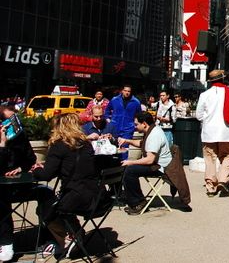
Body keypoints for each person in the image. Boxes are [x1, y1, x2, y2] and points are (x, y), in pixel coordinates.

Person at [31, 113, 100, 258]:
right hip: (95, 196)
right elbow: (72, 164)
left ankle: (68, 236)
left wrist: (36, 169)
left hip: (75, 197)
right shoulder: (86, 145)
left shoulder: (59, 145)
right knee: (57, 201)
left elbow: (46, 176)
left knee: (44, 208)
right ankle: (74, 230)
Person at [0, 105, 56, 262]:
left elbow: (30, 159)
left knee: (47, 192)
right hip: (2, 190)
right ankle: (6, 243)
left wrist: (21, 167)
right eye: (8, 121)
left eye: (14, 120)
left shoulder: (20, 137)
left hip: (21, 185)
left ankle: (49, 237)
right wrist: (2, 144)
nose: (13, 125)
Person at [195, 70, 229, 197]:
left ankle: (211, 186)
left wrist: (208, 117)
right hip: (226, 132)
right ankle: (222, 179)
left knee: (210, 159)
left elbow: (198, 115)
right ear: (223, 79)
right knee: (227, 156)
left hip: (209, 132)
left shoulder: (204, 95)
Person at [118, 111, 172, 215]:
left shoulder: (154, 135)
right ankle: (133, 197)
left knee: (130, 170)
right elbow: (141, 144)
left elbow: (150, 160)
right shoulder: (151, 130)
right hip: (156, 164)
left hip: (161, 167)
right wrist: (127, 141)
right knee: (128, 168)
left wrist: (131, 162)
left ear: (144, 124)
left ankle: (138, 202)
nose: (135, 126)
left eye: (136, 124)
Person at [104, 85, 142, 159]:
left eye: (129, 91)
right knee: (112, 147)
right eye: (125, 91)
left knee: (124, 148)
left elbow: (139, 115)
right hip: (114, 127)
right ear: (122, 91)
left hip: (127, 129)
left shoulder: (136, 102)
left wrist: (134, 125)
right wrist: (109, 121)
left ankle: (123, 166)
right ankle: (112, 166)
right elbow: (107, 111)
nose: (127, 92)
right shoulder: (115, 100)